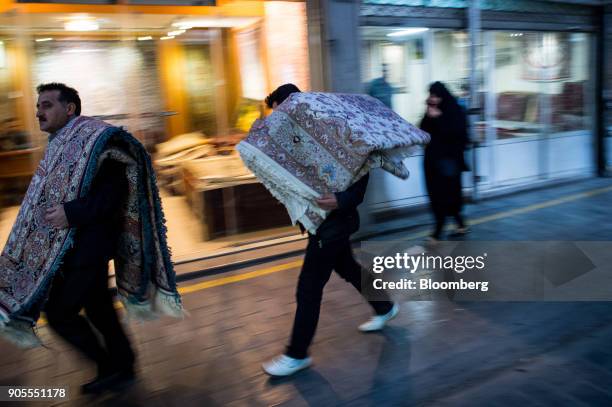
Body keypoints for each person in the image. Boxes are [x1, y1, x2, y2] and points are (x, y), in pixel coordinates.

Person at [262, 84, 398, 377]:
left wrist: (340, 199)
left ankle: (297, 354)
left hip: (333, 224)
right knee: (348, 267)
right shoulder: (298, 136)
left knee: (308, 287)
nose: (279, 120)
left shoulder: (333, 129)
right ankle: (385, 307)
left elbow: (361, 170)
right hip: (322, 222)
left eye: (281, 113)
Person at [37, 83, 135, 394]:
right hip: (72, 246)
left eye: (47, 105)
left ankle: (108, 365)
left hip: (89, 246)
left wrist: (71, 213)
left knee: (59, 313)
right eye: (38, 106)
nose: (39, 111)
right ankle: (124, 364)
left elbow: (112, 195)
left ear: (69, 109)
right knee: (98, 308)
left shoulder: (97, 142)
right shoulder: (60, 144)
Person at [420, 81, 470, 242]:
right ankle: (461, 225)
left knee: (446, 195)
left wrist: (439, 119)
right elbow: (423, 131)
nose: (432, 98)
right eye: (431, 95)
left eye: (435, 95)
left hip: (449, 161)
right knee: (438, 195)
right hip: (432, 162)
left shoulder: (455, 111)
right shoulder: (432, 111)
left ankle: (437, 231)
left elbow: (457, 135)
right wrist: (429, 116)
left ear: (443, 95)